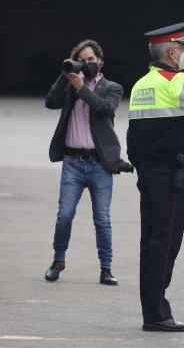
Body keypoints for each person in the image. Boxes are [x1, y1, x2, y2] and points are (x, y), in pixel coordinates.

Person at [126, 22, 184, 332]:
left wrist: (142, 167)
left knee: (151, 241)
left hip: (149, 173)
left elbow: (133, 136)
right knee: (166, 243)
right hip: (171, 175)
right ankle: (157, 314)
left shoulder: (142, 84)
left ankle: (151, 310)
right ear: (170, 52)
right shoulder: (174, 81)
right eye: (182, 48)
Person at [44, 39, 132, 286]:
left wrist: (82, 87)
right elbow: (50, 102)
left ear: (100, 61)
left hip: (100, 164)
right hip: (72, 162)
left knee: (102, 220)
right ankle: (57, 261)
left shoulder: (112, 87)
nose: (88, 63)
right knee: (64, 215)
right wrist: (66, 76)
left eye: (91, 59)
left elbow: (104, 108)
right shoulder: (71, 86)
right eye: (83, 60)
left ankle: (106, 269)